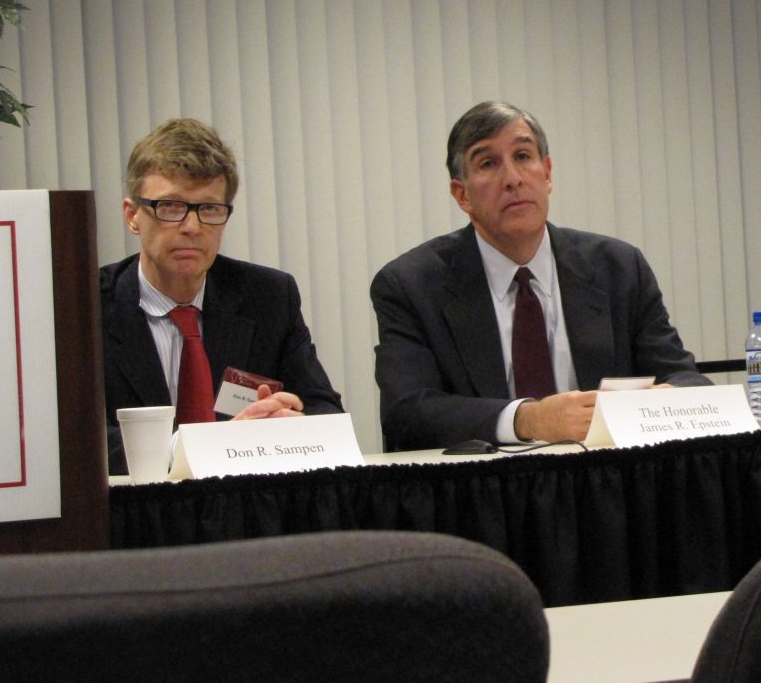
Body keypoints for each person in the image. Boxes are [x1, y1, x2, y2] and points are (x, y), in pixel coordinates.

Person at [371, 101, 710, 450]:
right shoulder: (411, 285)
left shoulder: (619, 268)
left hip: (603, 475)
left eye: (523, 156)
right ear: (462, 194)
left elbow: (687, 380)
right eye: (488, 163)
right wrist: (529, 419)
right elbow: (407, 413)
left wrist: (659, 401)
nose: (513, 179)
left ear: (547, 174)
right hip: (483, 480)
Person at [101, 118, 343, 473]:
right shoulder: (82, 307)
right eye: (170, 207)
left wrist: (288, 424)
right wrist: (197, 447)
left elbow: (324, 412)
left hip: (241, 500)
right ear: (133, 216)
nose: (192, 227)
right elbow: (68, 441)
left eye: (209, 209)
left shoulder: (269, 297)